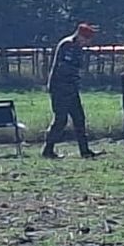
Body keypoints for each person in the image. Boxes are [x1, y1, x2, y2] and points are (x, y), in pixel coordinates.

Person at [43, 22, 103, 159]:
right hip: (60, 88)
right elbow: (65, 67)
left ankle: (85, 151)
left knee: (79, 119)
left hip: (71, 88)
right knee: (60, 120)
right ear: (81, 36)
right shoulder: (68, 45)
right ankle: (48, 149)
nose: (88, 43)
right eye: (87, 39)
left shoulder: (76, 47)